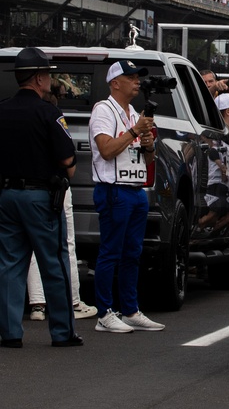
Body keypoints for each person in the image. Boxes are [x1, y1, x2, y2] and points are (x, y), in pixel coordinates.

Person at [0, 47, 81, 348]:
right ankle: (62, 332)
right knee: (54, 262)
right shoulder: (49, 112)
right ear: (38, 78)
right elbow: (66, 161)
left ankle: (9, 333)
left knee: (9, 263)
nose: (50, 79)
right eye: (47, 73)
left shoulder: (2, 109)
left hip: (6, 194)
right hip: (39, 196)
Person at [90, 59, 165, 333]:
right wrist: (135, 131)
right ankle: (104, 312)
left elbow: (147, 158)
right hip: (114, 188)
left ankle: (130, 309)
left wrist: (147, 145)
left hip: (135, 189)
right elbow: (106, 149)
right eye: (131, 77)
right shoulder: (104, 110)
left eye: (137, 77)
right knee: (111, 251)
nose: (137, 81)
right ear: (115, 83)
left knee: (133, 253)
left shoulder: (133, 112)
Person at [26, 86, 98, 322]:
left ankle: (37, 304)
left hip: (23, 188)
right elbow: (68, 162)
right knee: (65, 244)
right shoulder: (54, 119)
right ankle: (73, 301)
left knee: (28, 247)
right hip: (56, 188)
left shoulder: (18, 118)